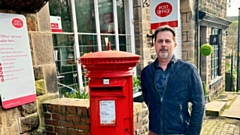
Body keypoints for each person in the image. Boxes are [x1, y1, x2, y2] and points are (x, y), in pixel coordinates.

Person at [140, 25, 205, 135]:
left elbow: (199, 104)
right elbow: (149, 99)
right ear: (154, 44)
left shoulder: (188, 70)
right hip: (154, 132)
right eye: (160, 41)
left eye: (167, 41)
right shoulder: (146, 72)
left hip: (179, 132)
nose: (163, 45)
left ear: (174, 45)